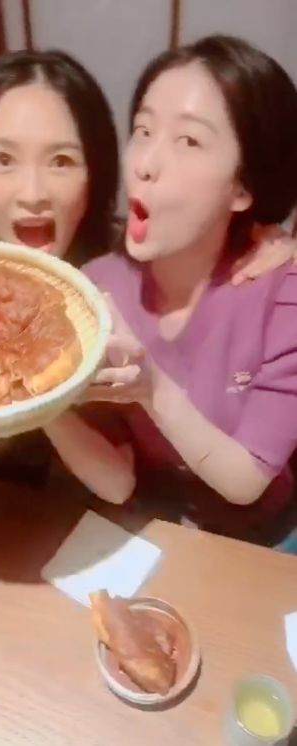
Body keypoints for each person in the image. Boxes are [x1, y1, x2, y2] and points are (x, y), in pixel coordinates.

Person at [0, 45, 292, 497]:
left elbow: (125, 479)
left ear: (95, 174)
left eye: (61, 161)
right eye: (3, 159)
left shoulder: (94, 294)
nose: (32, 193)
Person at [48, 35, 297, 544]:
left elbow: (247, 481)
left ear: (243, 187)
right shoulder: (98, 287)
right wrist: (36, 396)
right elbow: (116, 482)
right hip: (152, 531)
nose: (145, 162)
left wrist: (152, 389)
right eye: (143, 130)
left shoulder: (282, 291)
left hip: (264, 542)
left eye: (188, 141)